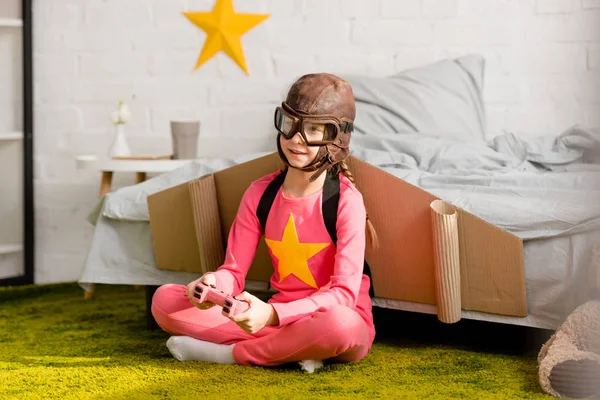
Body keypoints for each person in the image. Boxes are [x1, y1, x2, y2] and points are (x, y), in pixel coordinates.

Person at [151, 73, 378, 371]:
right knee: (165, 300)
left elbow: (344, 296)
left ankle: (228, 354)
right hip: (273, 318)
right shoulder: (260, 193)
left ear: (337, 138)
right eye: (290, 125)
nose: (296, 139)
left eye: (313, 130)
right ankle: (290, 349)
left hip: (329, 319)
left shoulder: (346, 201)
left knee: (341, 325)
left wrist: (272, 314)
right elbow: (233, 272)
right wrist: (209, 285)